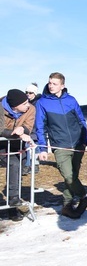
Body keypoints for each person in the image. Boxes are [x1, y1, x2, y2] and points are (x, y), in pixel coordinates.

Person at [36, 72, 87, 218]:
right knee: (69, 176)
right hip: (60, 146)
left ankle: (67, 206)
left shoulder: (71, 100)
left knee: (73, 176)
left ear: (62, 85)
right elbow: (40, 126)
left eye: (54, 84)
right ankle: (84, 197)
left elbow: (81, 121)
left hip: (77, 144)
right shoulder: (42, 102)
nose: (51, 86)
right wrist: (43, 148)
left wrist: (84, 141)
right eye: (50, 83)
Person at [1, 89, 35, 220]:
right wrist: (14, 133)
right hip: (3, 145)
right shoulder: (1, 109)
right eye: (25, 103)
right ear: (15, 106)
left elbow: (29, 125)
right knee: (13, 164)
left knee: (17, 171)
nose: (28, 104)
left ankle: (12, 207)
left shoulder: (30, 109)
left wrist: (23, 130)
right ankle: (13, 199)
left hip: (17, 146)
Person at [23, 83, 41, 174]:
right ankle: (26, 165)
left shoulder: (38, 103)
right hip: (27, 127)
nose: (28, 94)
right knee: (26, 148)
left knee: (35, 147)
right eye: (26, 92)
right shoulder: (25, 103)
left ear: (35, 93)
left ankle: (35, 165)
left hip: (36, 128)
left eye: (30, 93)